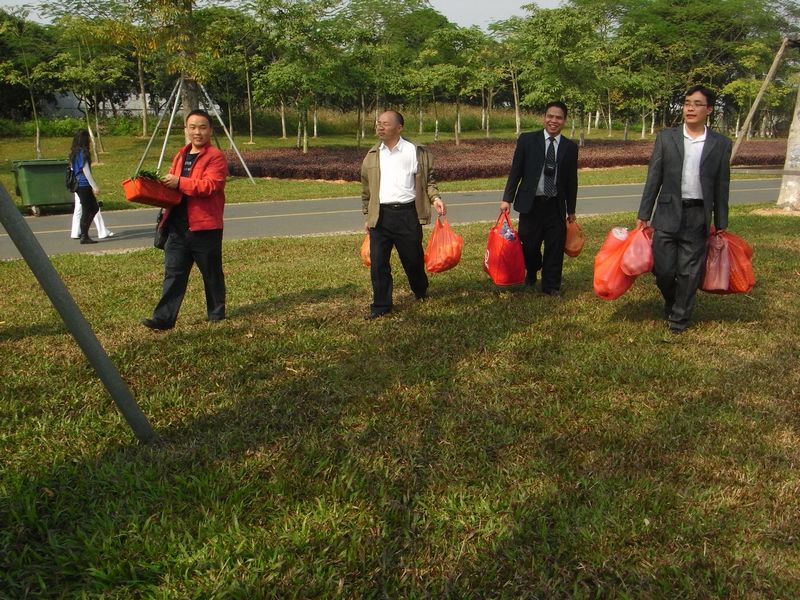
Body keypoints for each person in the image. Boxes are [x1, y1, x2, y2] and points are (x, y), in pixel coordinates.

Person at [636, 84, 731, 334]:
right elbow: (653, 177)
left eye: (697, 104)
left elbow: (722, 184)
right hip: (667, 213)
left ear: (709, 109)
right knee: (664, 270)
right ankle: (673, 301)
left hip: (698, 214)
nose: (690, 108)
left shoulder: (720, 144)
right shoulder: (667, 138)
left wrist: (721, 221)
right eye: (687, 103)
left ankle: (680, 318)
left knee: (689, 271)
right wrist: (643, 214)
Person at [141, 109, 228, 331]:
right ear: (186, 130)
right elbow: (171, 186)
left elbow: (211, 185)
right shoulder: (180, 154)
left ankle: (216, 314)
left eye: (202, 127)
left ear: (210, 130)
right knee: (173, 274)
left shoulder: (215, 156)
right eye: (193, 127)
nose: (197, 132)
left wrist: (180, 182)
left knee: (211, 274)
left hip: (204, 227)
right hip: (177, 227)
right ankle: (163, 319)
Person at [361, 110, 446, 319]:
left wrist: (435, 198)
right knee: (379, 264)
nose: (380, 127)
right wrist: (368, 215)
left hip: (407, 214)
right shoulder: (373, 155)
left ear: (399, 127)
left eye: (385, 124)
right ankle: (381, 305)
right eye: (378, 123)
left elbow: (429, 182)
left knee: (413, 259)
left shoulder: (416, 152)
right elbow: (366, 190)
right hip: (381, 216)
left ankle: (420, 290)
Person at [500, 101, 579, 296]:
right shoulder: (527, 140)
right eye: (550, 116)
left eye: (558, 117)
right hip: (531, 204)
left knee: (555, 246)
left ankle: (551, 286)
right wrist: (507, 198)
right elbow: (515, 171)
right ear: (544, 117)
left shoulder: (570, 147)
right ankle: (533, 270)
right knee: (529, 244)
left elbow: (571, 180)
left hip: (555, 205)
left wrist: (571, 210)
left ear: (564, 121)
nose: (554, 121)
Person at [69, 129, 101, 244]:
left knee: (92, 208)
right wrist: (95, 186)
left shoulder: (74, 153)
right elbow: (86, 171)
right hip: (84, 184)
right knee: (88, 210)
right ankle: (84, 235)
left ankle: (84, 234)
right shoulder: (83, 153)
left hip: (78, 185)